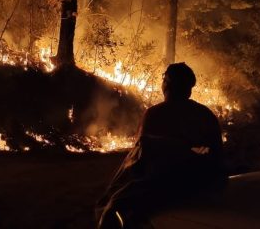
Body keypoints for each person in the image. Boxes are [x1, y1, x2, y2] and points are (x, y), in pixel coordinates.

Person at [96, 62, 226, 229]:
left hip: (165, 183)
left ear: (167, 83)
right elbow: (216, 154)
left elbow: (141, 156)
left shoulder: (156, 114)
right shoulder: (205, 114)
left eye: (164, 78)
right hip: (204, 180)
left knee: (111, 207)